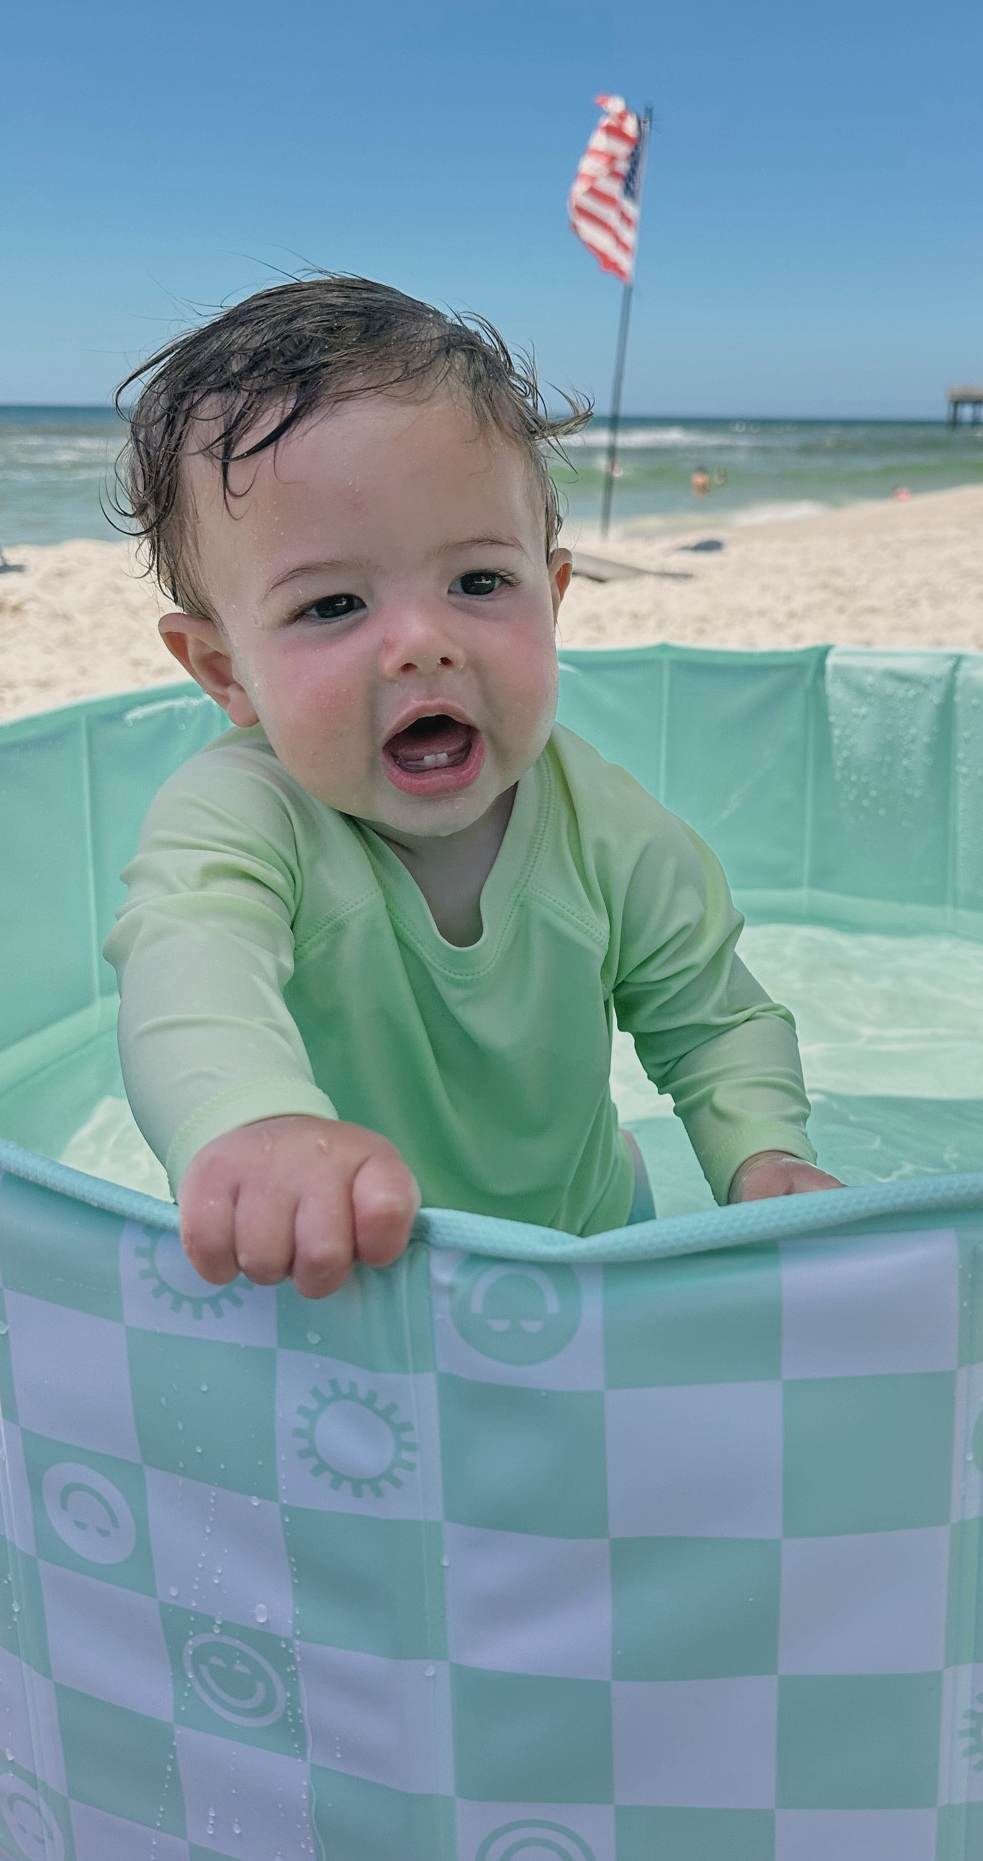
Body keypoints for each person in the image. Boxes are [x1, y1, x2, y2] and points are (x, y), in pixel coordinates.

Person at [105, 277, 842, 1298]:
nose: (421, 643)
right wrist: (253, 1120)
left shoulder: (606, 823)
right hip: (359, 1270)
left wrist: (763, 1155)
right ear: (224, 671)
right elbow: (188, 972)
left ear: (555, 595)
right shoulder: (238, 817)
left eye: (481, 582)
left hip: (594, 1232)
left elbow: (713, 1017)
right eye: (332, 604)